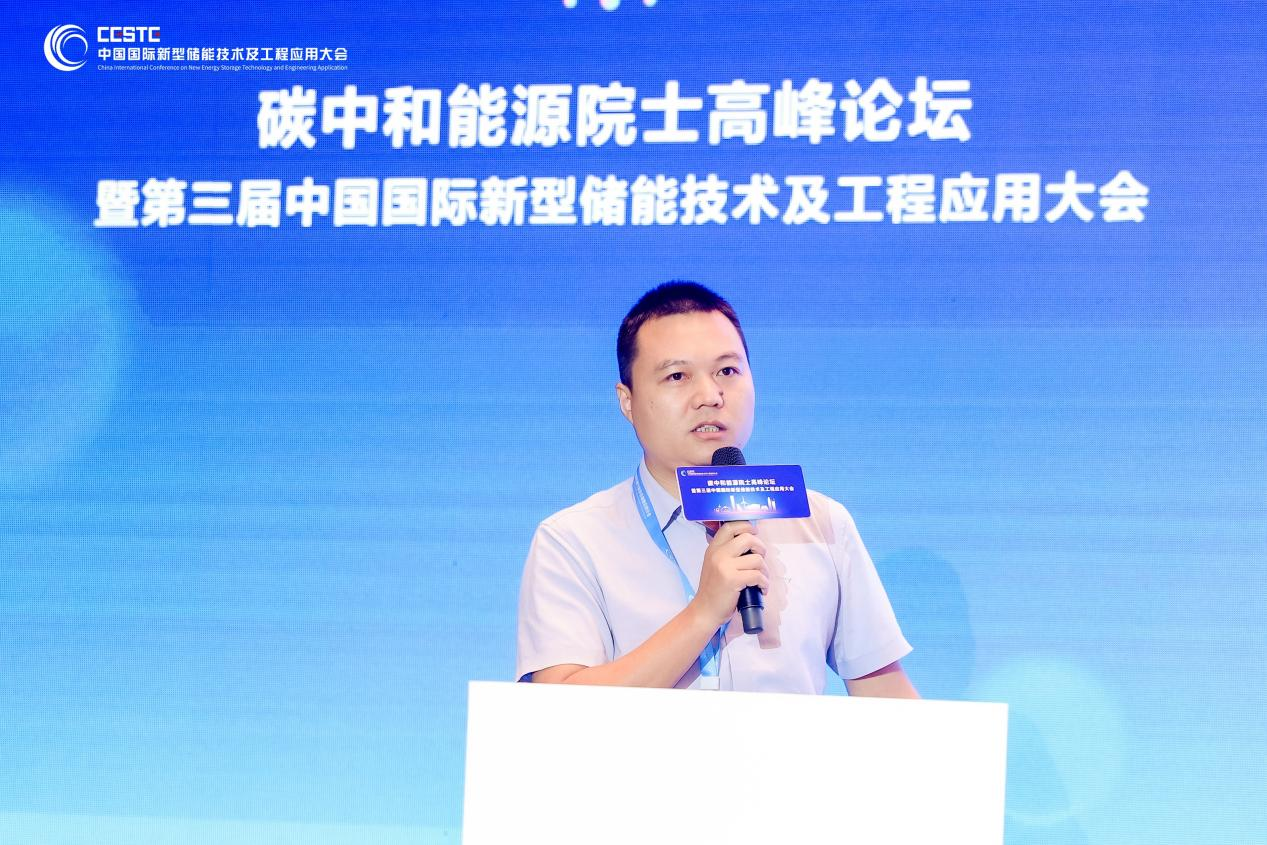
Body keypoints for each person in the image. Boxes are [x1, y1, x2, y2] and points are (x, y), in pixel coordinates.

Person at [516, 282, 918, 697]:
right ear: (627, 401)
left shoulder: (820, 523)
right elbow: (556, 707)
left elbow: (886, 696)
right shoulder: (573, 540)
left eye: (727, 371)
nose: (710, 396)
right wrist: (704, 612)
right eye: (677, 376)